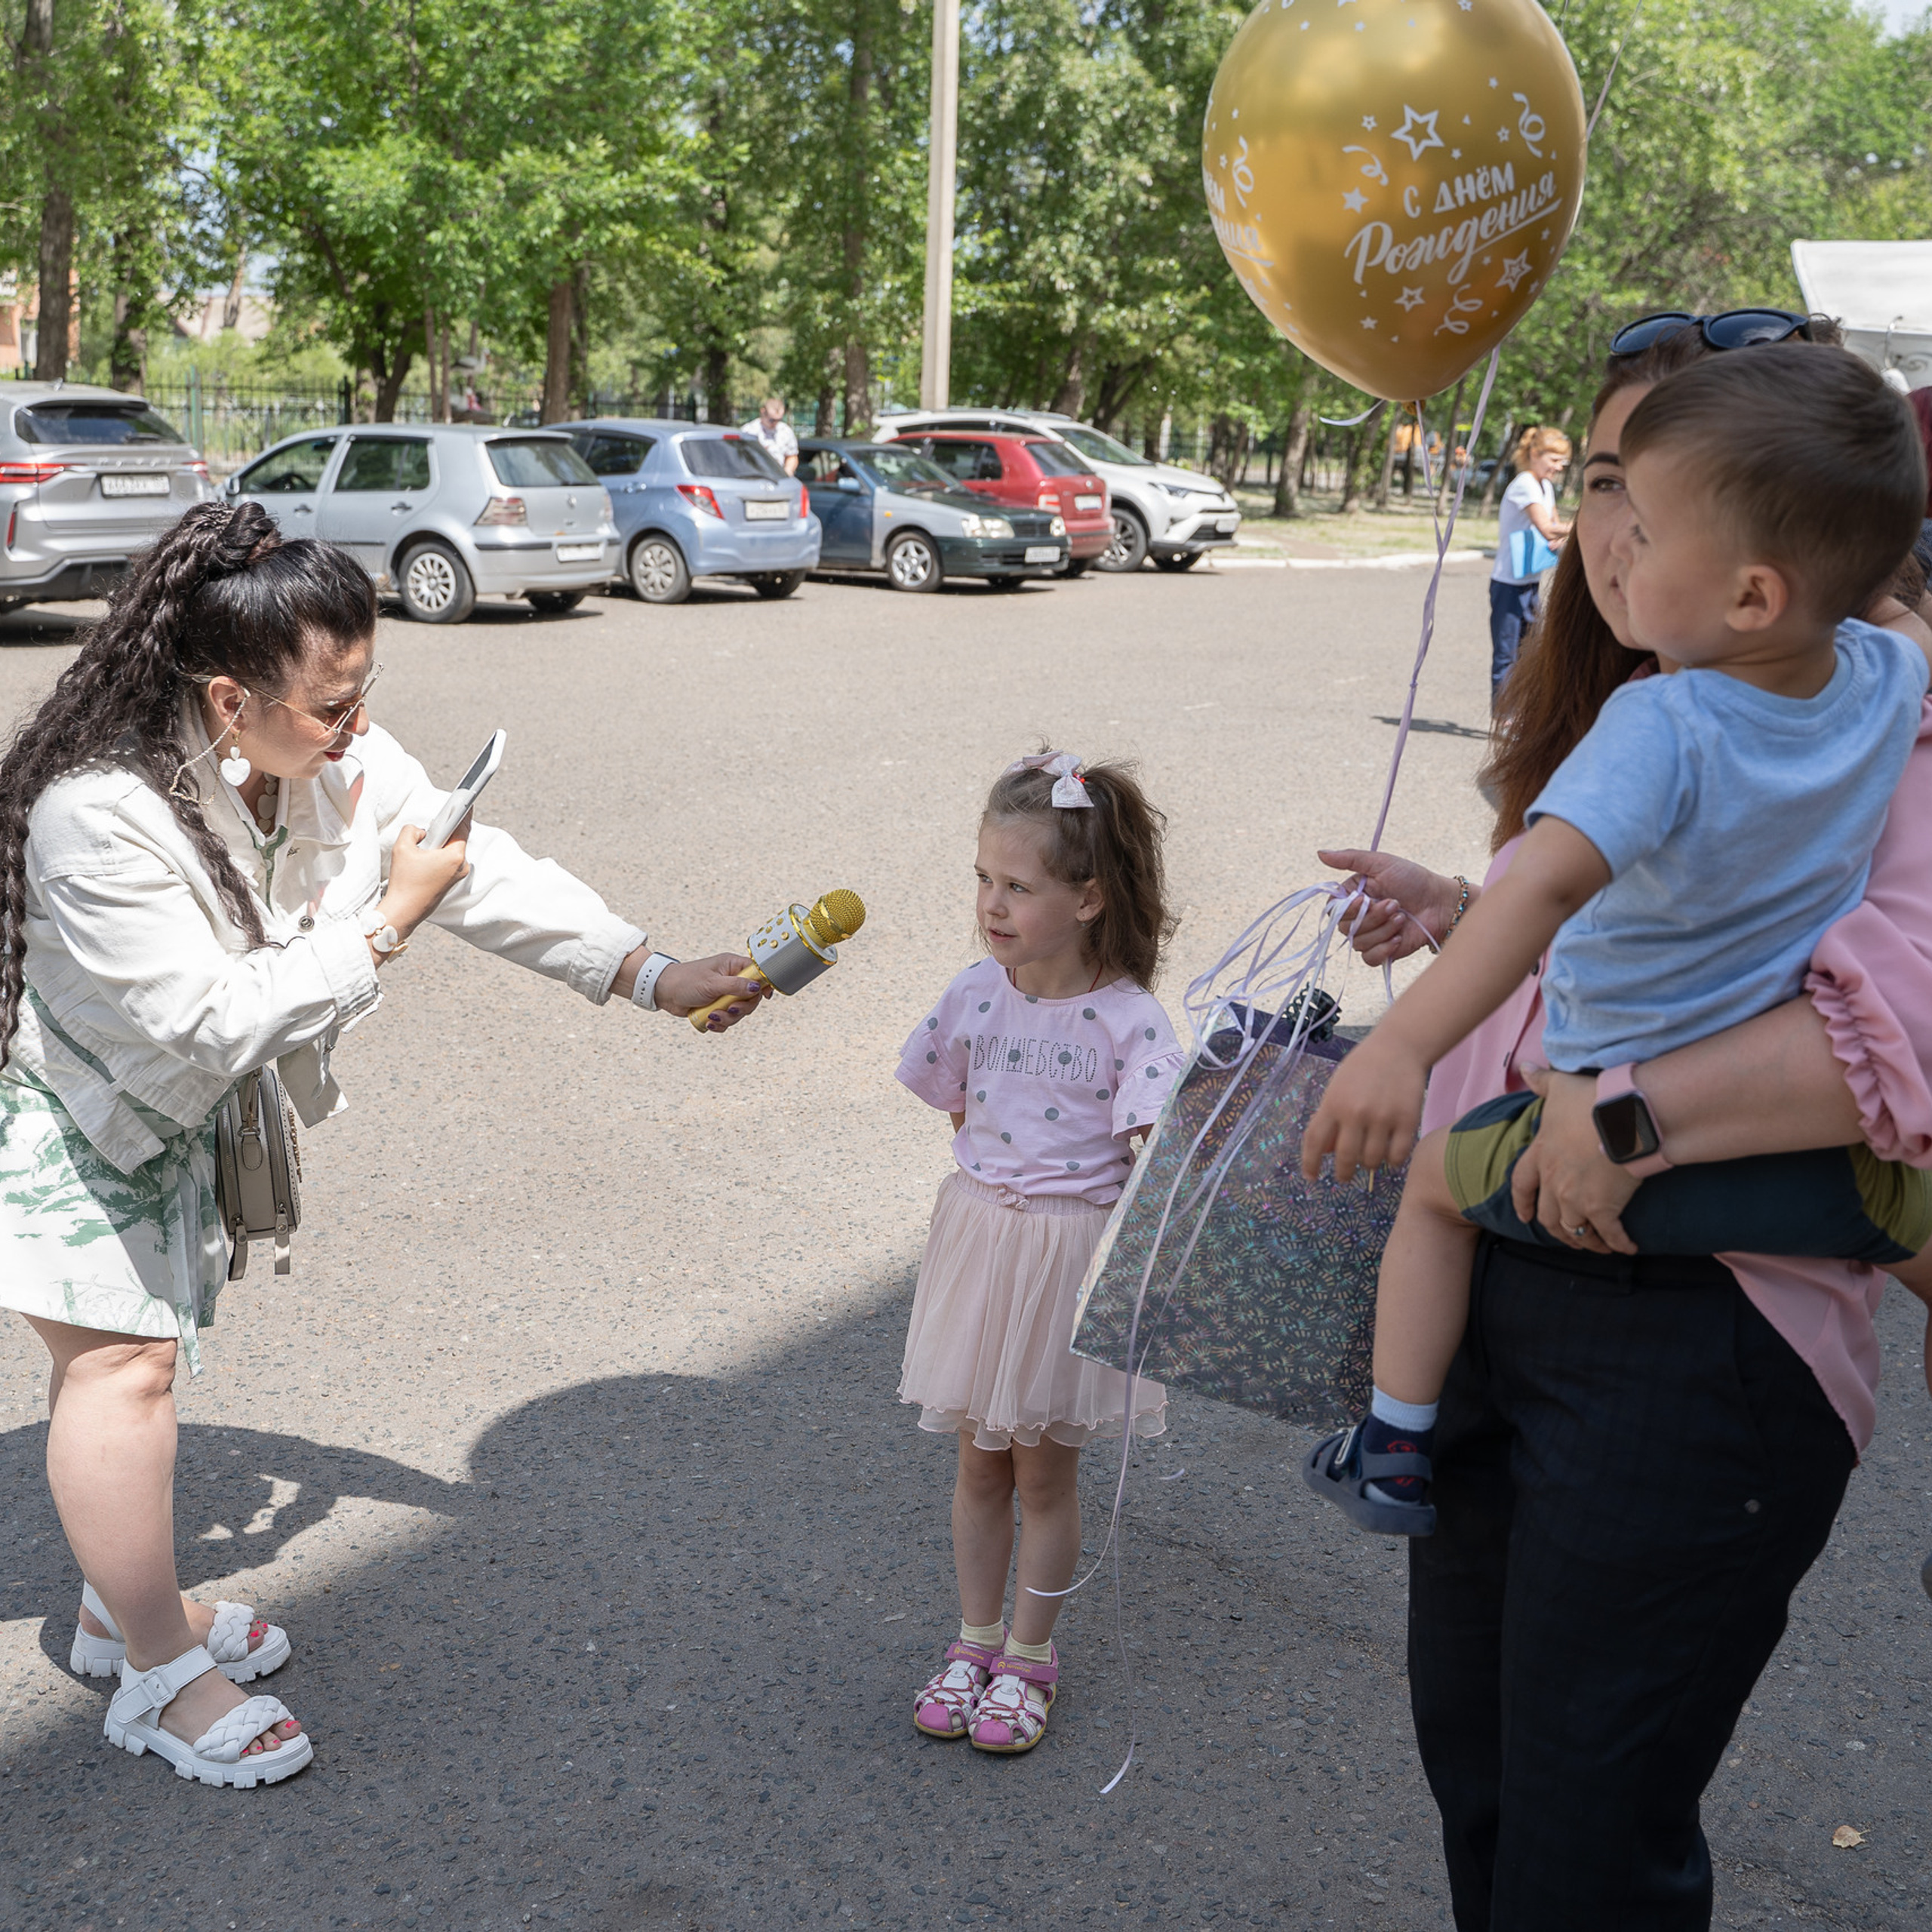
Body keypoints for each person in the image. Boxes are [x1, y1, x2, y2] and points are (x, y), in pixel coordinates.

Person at [1313, 307, 1932, 1930]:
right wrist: (1458, 907)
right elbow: (1613, 935)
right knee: (1488, 1778)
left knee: (1587, 1838)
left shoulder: (1857, 721)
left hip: (1699, 1327)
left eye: (1641, 504)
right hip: (1504, 1296)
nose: (1602, 534)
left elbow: (1904, 1020)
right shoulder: (1723, 694)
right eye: (1594, 482)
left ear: (1757, 568)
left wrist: (1622, 1116)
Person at [2, 500, 768, 1791]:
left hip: (172, 1112)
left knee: (147, 1367)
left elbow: (471, 859)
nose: (358, 731)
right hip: (73, 1115)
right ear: (228, 695)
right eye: (332, 706)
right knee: (120, 1374)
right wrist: (381, 928)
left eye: (365, 694)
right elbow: (201, 1025)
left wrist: (647, 969)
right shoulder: (98, 812)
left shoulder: (313, 750)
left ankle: (115, 1611)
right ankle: (154, 1675)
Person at [895, 750, 1178, 1755]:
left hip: (1062, 1263)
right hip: (983, 1246)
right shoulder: (978, 992)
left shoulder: (1131, 1020)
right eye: (983, 879)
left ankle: (1030, 1656)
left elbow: (1159, 1146)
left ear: (1091, 897)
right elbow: (954, 1098)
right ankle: (973, 1642)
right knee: (979, 1465)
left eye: (1020, 886)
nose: (993, 905)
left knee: (1043, 1477)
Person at [1488, 426, 1571, 709]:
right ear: (1534, 454)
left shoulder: (1545, 486)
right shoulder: (1525, 483)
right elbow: (1549, 529)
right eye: (1554, 460)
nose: (1558, 467)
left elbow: (1555, 531)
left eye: (1563, 462)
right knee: (1507, 653)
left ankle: (1520, 714)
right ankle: (1504, 716)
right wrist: (1585, 525)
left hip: (1530, 579)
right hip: (1509, 584)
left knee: (1531, 653)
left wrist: (1563, 538)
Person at [741, 396, 798, 475]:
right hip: (753, 476)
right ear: (763, 412)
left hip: (778, 476)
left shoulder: (785, 431)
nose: (775, 423)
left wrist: (788, 471)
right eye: (772, 420)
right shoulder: (749, 431)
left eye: (779, 420)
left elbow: (792, 456)